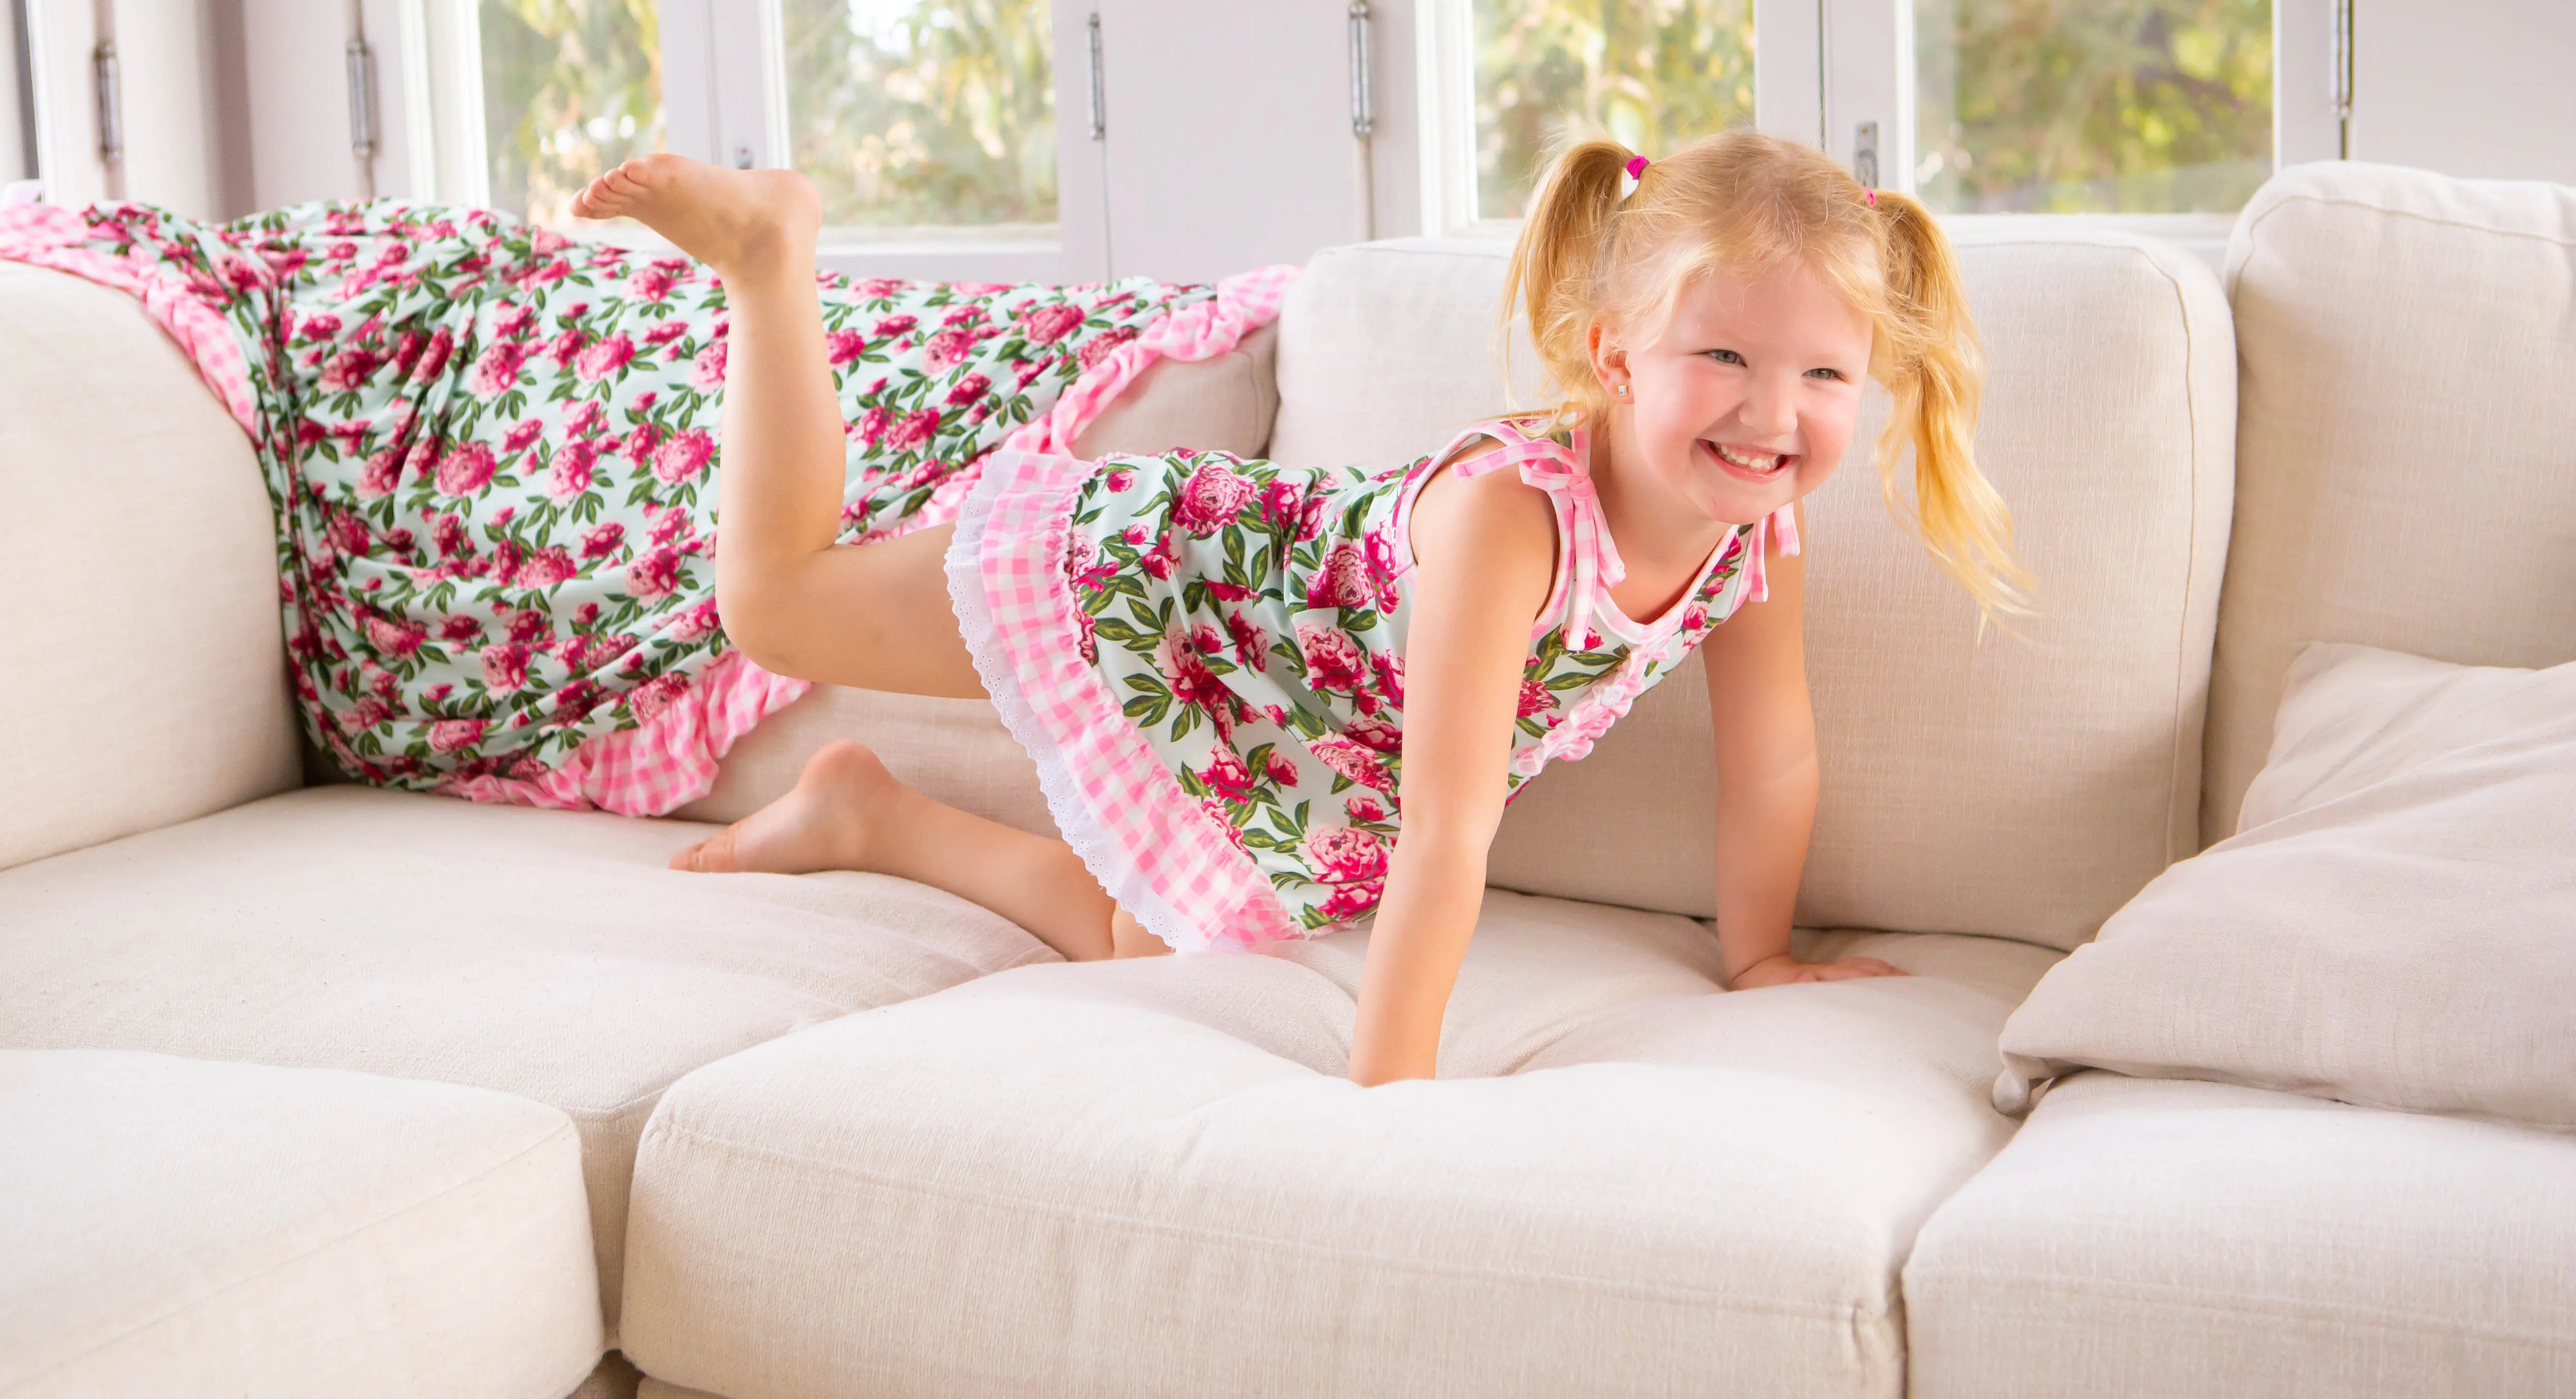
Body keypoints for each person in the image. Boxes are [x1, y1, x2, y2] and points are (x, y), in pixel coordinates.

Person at [570, 129, 2026, 1086]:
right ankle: (773, 258)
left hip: (1295, 723)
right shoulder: (1509, 518)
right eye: (1726, 357)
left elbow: (1773, 760)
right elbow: (1450, 823)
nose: (1777, 416)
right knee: (776, 607)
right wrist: (1385, 1096)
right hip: (1170, 589)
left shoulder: (1755, 532)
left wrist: (1757, 954)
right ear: (1617, 356)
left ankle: (868, 816)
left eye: (1826, 377)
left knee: (1157, 945)